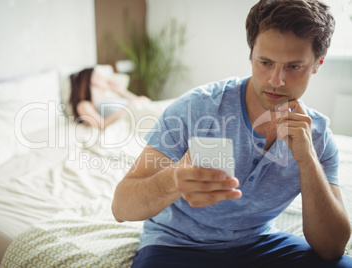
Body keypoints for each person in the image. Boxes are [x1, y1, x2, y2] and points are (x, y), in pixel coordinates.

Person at [111, 0, 352, 267]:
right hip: (176, 245)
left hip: (258, 243)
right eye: (265, 62)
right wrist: (173, 180)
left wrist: (307, 159)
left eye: (293, 66)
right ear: (251, 54)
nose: (276, 80)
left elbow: (331, 249)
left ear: (318, 63)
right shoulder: (197, 108)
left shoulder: (317, 135)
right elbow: (121, 207)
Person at [70, 67, 150, 130]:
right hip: (140, 118)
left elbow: (144, 101)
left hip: (145, 111)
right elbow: (101, 125)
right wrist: (129, 106)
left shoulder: (109, 98)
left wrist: (119, 90)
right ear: (91, 80)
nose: (103, 78)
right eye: (98, 76)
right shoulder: (84, 105)